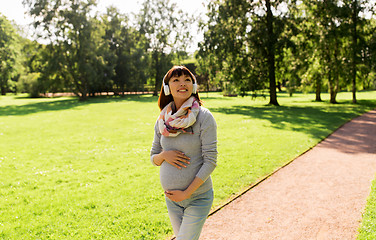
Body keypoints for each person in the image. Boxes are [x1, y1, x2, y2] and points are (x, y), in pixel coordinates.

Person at [150, 65, 217, 240]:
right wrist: (164, 156)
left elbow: (210, 161)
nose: (182, 83)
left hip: (198, 197)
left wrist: (186, 193)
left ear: (194, 86)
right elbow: (153, 157)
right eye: (176, 80)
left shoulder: (204, 117)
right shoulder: (162, 120)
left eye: (187, 80)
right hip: (172, 200)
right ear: (167, 87)